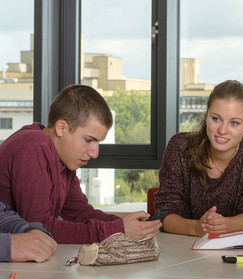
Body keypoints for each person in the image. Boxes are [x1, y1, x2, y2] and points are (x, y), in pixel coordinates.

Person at [0, 84, 162, 244]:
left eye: (98, 143)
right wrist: (116, 229)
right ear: (61, 128)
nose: (95, 153)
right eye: (88, 140)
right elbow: (39, 228)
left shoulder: (60, 156)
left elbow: (81, 212)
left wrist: (129, 224)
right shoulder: (34, 145)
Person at [154, 80, 243, 236]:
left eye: (234, 123)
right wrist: (197, 227)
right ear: (206, 116)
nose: (222, 130)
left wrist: (224, 225)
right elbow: (164, 215)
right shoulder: (180, 146)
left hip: (233, 248)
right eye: (216, 119)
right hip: (180, 248)